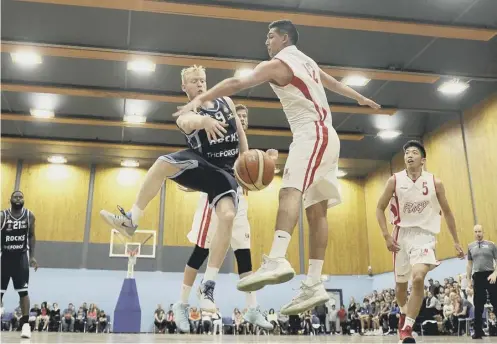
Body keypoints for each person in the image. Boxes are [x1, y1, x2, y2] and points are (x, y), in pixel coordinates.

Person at [174, 19, 380, 315]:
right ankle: (313, 282)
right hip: (327, 136)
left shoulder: (279, 63)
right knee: (317, 209)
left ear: (285, 39)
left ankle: (277, 258)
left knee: (288, 192)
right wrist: (358, 97)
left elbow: (236, 84)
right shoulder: (306, 61)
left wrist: (202, 98)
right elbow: (331, 82)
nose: (266, 42)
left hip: (311, 133)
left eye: (270, 37)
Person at [100, 65, 249, 311]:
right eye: (194, 81)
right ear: (184, 87)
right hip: (201, 164)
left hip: (225, 172)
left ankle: (208, 285)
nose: (200, 84)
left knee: (228, 216)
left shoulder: (227, 102)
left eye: (202, 80)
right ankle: (131, 220)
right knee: (162, 163)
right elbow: (190, 122)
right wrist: (204, 120)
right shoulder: (185, 115)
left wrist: (245, 161)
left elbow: (241, 134)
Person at [171, 103, 273, 333]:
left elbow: (250, 176)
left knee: (244, 254)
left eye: (246, 116)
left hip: (238, 200)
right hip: (215, 197)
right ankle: (182, 303)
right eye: (239, 115)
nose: (243, 119)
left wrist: (268, 162)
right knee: (200, 251)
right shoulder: (218, 136)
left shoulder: (245, 149)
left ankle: (252, 307)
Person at [375, 140, 464, 343]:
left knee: (418, 278)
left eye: (414, 152)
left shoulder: (434, 182)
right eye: (407, 152)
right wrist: (386, 236)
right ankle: (403, 314)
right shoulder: (394, 180)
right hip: (400, 235)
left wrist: (456, 241)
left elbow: (448, 213)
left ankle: (407, 328)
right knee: (400, 287)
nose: (409, 155)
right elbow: (379, 208)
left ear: (422, 159)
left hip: (424, 235)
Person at [0, 191, 38, 338]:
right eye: (15, 196)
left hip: (21, 258)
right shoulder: (3, 216)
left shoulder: (29, 216)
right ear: (10, 199)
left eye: (21, 196)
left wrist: (32, 256)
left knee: (23, 292)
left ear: (24, 200)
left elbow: (32, 235)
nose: (18, 198)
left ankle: (26, 325)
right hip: (5, 257)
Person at [466, 224, 497, 339]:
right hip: (477, 276)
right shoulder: (470, 246)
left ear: (483, 232)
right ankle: (478, 331)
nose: (478, 234)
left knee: (495, 301)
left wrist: (495, 273)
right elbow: (469, 264)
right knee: (478, 304)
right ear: (473, 233)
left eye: (479, 231)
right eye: (475, 231)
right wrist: (468, 279)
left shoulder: (491, 245)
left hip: (490, 275)